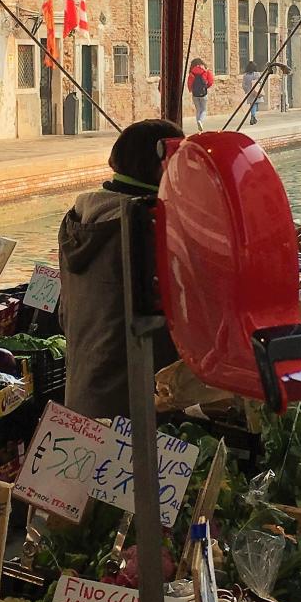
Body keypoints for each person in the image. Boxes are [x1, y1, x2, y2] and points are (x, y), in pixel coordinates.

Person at [57, 118, 183, 420]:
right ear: (163, 167)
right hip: (136, 405)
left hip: (83, 395)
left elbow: (65, 316)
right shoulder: (146, 228)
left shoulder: (76, 221)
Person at [186, 57, 212, 132]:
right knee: (204, 110)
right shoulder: (205, 70)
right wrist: (206, 87)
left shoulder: (192, 72)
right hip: (203, 93)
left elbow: (189, 83)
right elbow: (210, 81)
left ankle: (198, 124)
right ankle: (201, 121)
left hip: (195, 94)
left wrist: (191, 90)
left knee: (198, 110)